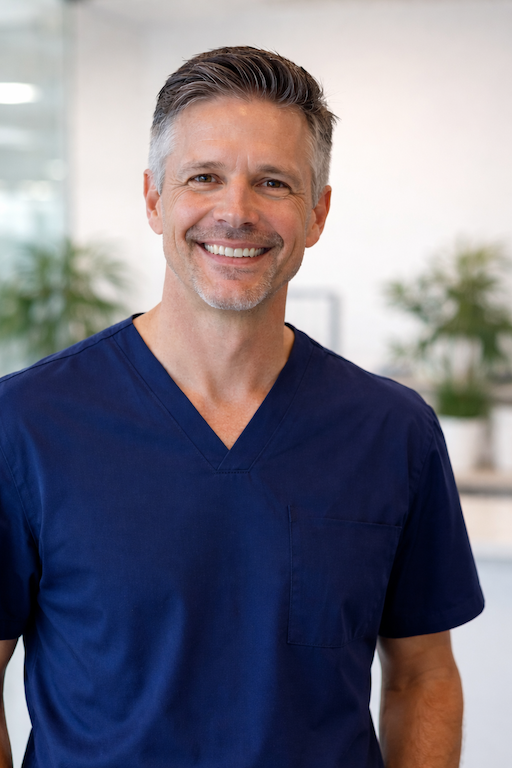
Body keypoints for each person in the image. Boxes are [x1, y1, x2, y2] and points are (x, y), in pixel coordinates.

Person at [0, 46, 483, 768]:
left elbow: (423, 675)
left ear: (316, 212)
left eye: (274, 183)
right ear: (154, 197)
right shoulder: (26, 424)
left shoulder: (393, 431)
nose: (236, 212)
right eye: (204, 177)